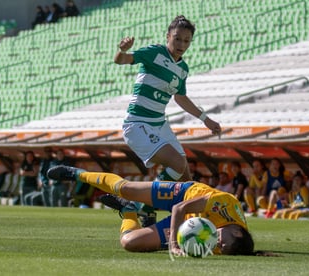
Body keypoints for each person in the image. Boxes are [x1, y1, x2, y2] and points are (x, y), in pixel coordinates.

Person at [47, 165, 255, 255]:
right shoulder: (224, 205)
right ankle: (77, 174)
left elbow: (208, 246)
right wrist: (174, 245)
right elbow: (179, 209)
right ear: (237, 231)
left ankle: (129, 212)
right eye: (222, 241)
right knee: (125, 188)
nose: (218, 243)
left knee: (130, 243)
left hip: (187, 224)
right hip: (184, 196)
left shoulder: (230, 244)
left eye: (221, 247)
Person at [114, 15, 221, 183]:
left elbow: (180, 97)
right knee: (177, 163)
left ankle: (177, 209)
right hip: (138, 124)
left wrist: (205, 119)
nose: (182, 45)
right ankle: (141, 206)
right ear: (168, 37)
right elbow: (122, 60)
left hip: (160, 125)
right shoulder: (155, 52)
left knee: (185, 177)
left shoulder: (183, 69)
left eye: (187, 41)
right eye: (177, 39)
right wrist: (122, 51)